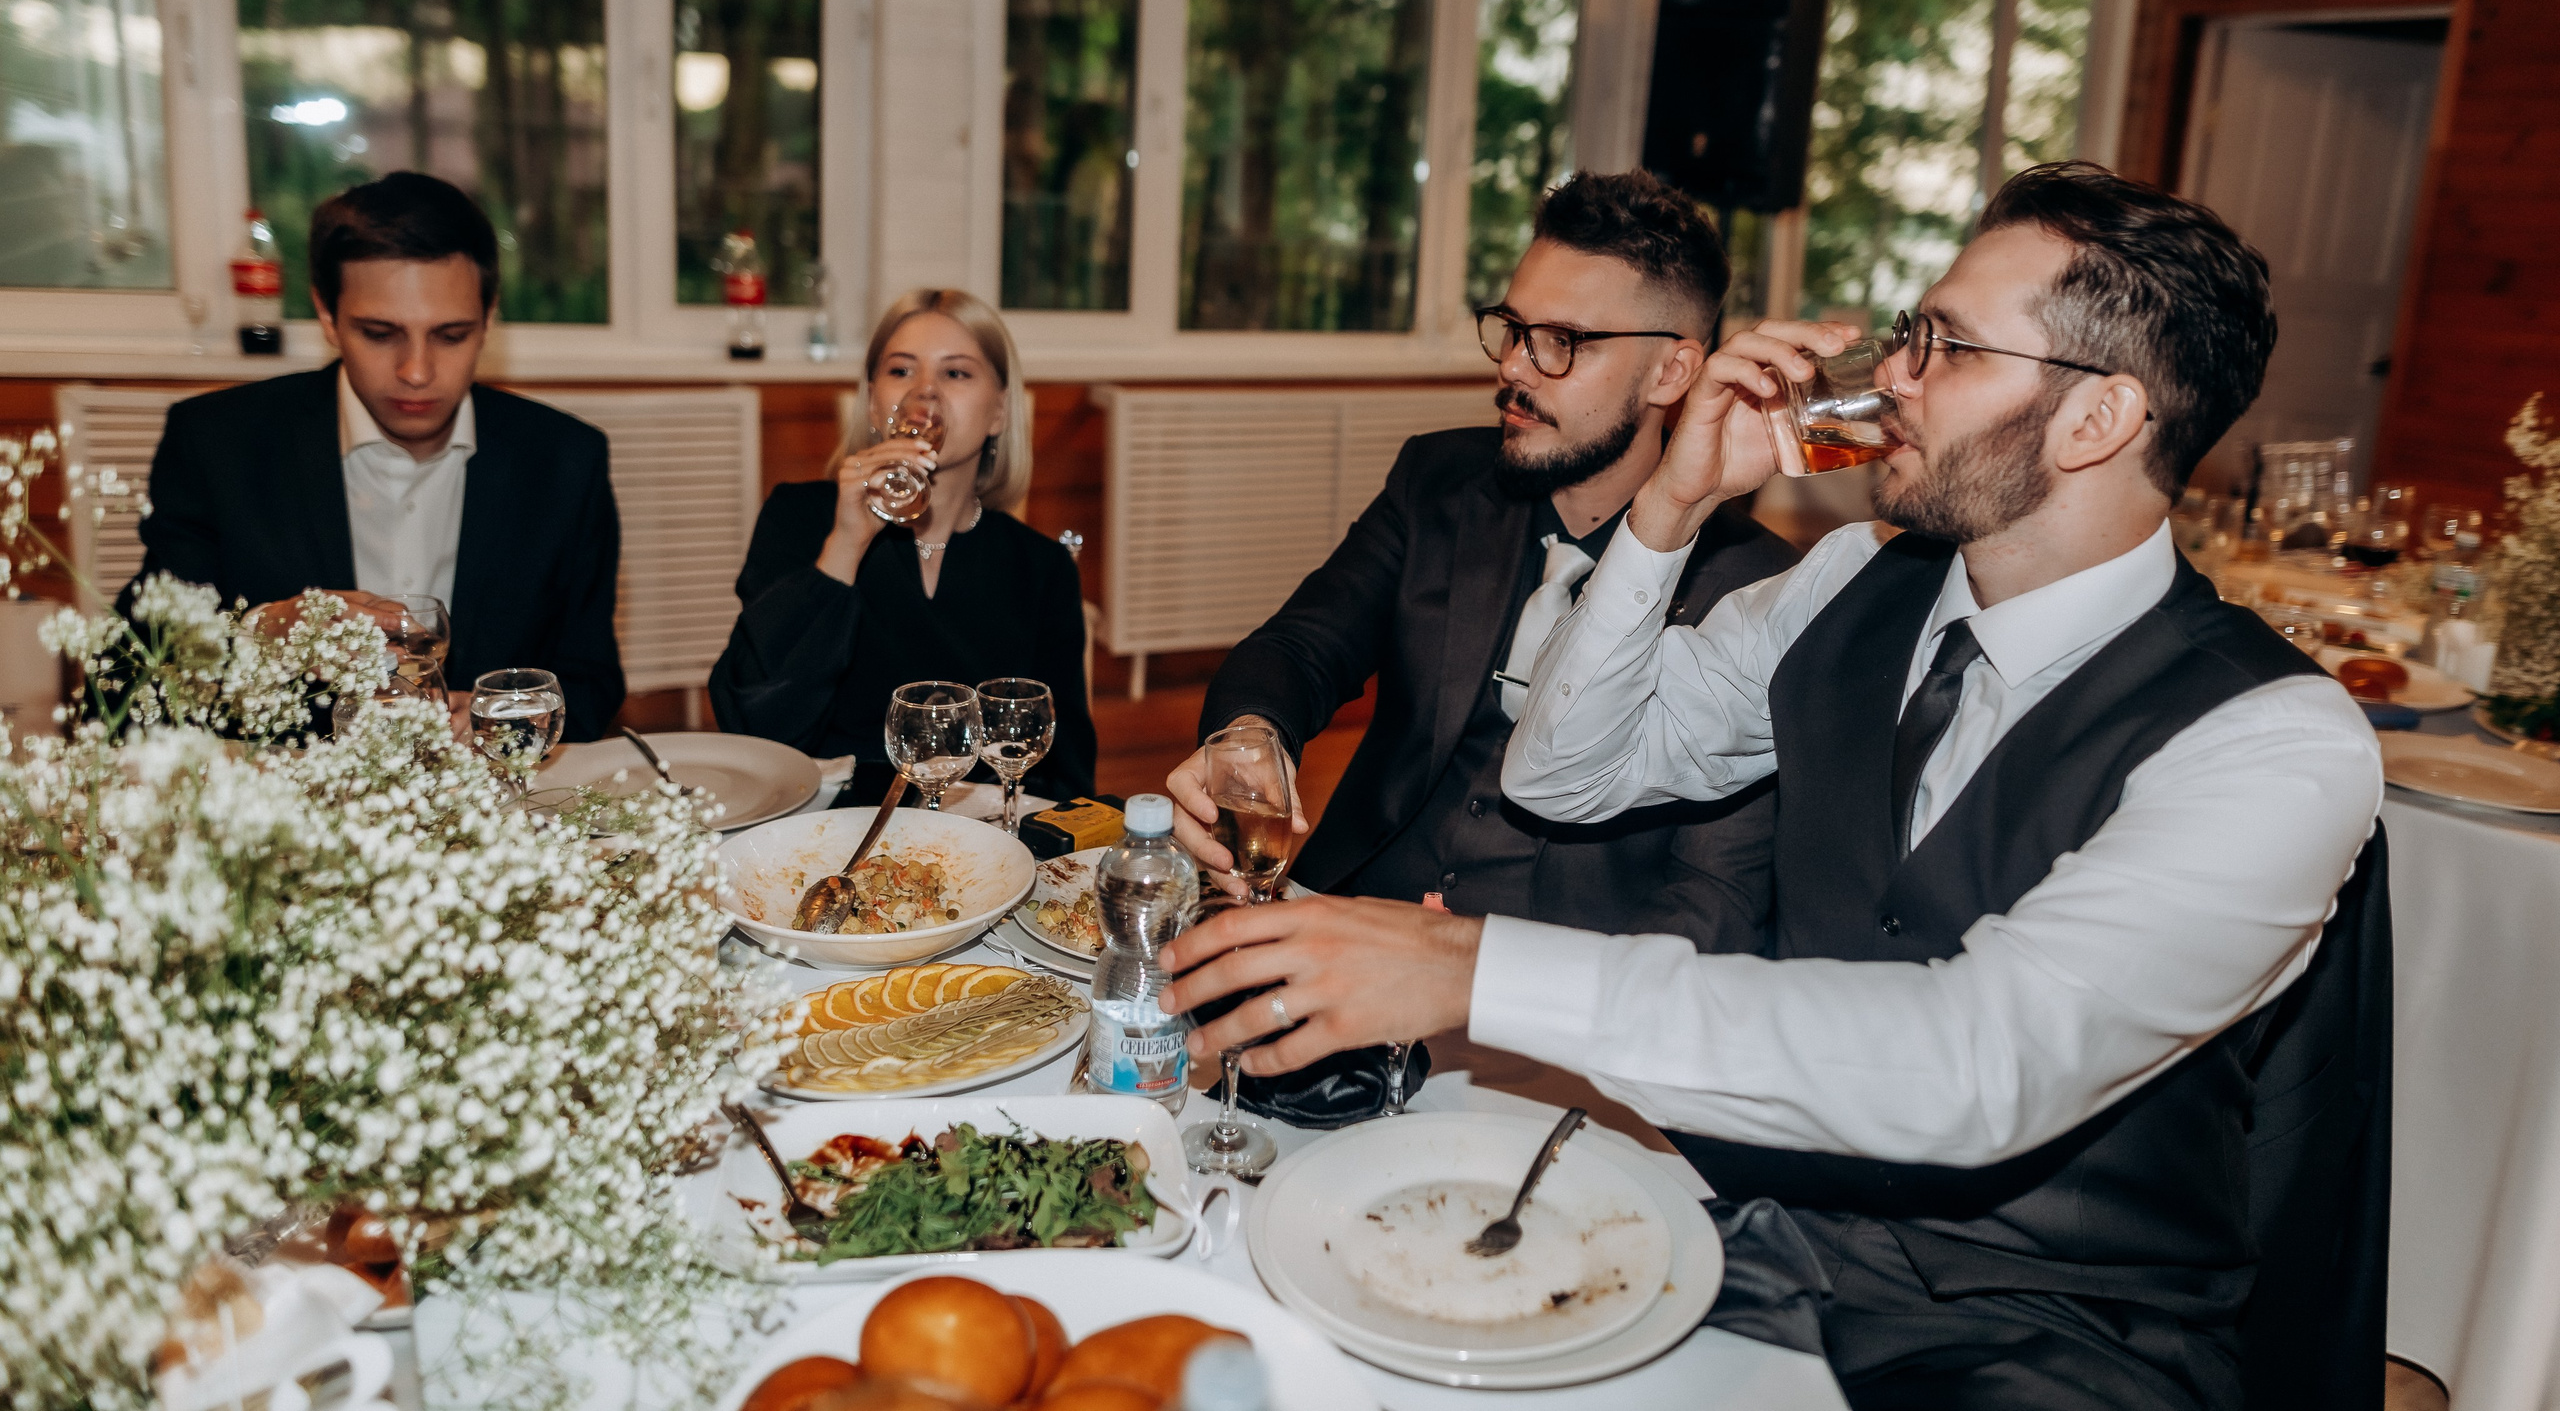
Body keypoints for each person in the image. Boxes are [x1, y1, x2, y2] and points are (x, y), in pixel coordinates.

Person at [1159, 163, 2383, 1410]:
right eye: (1913, 331)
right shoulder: (1856, 575)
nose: (1893, 374)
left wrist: (1471, 968)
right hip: (1770, 1234)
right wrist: (1673, 501)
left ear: (2096, 420)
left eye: (1947, 347)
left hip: (2052, 1335)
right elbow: (1570, 770)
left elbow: (1978, 1063)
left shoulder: (2277, 741)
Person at [1164, 170, 1795, 941]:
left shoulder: (1759, 591)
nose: (1514, 367)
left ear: (1672, 372)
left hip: (1550, 1014)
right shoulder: (1439, 483)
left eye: (1561, 342)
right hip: (1350, 925)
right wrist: (1248, 742)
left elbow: (1714, 895)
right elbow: (1301, 647)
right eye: (1512, 327)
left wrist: (1505, 996)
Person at [133, 172, 626, 740]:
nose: (416, 372)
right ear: (326, 315)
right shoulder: (215, 443)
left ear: (489, 319)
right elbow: (137, 672)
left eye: (451, 335)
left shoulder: (565, 459)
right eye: (379, 332)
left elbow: (593, 680)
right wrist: (262, 633)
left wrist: (510, 717)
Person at [709, 288, 1096, 804]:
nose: (926, 393)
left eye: (956, 373)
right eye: (901, 371)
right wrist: (845, 546)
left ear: (999, 411)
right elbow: (753, 725)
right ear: (873, 401)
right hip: (822, 826)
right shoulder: (800, 518)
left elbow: (1062, 772)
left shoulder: (1039, 565)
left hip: (977, 842)